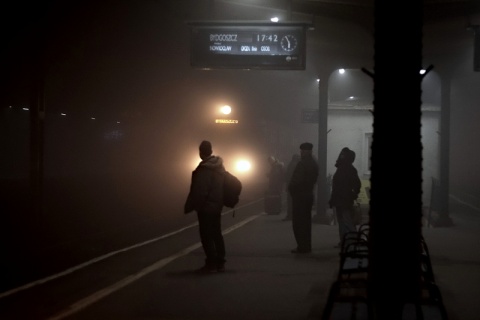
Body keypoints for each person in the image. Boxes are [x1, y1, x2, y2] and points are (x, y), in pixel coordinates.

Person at [184, 140, 226, 273]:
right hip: (217, 205)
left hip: (206, 207)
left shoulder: (204, 169)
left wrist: (194, 205)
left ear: (200, 152)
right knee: (217, 233)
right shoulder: (220, 167)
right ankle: (220, 261)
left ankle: (211, 262)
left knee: (206, 235)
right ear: (211, 151)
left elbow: (200, 191)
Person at [288, 142, 319, 253]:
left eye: (302, 151)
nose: (301, 152)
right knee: (306, 222)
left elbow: (296, 181)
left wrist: (291, 190)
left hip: (300, 197)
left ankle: (302, 246)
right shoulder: (314, 163)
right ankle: (306, 245)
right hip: (308, 195)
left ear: (307, 151)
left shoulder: (302, 164)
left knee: (299, 223)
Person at [329, 147, 361, 248]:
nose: (341, 156)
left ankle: (353, 241)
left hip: (344, 200)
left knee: (347, 221)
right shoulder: (344, 169)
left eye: (343, 155)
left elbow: (356, 185)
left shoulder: (349, 169)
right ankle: (344, 241)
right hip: (341, 199)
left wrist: (352, 194)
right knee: (342, 222)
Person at [283, 153, 300, 221]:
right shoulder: (298, 165)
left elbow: (288, 176)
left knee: (290, 201)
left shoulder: (291, 165)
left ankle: (290, 216)